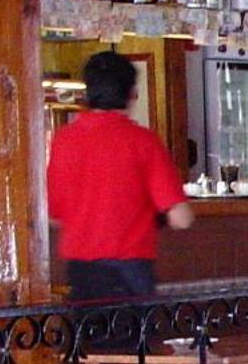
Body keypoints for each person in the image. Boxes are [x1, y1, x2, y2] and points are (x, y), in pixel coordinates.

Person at [46, 50, 194, 300]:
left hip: (81, 273)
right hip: (130, 272)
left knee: (89, 326)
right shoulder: (143, 142)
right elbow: (181, 218)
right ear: (131, 94)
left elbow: (53, 216)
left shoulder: (64, 140)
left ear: (88, 93)